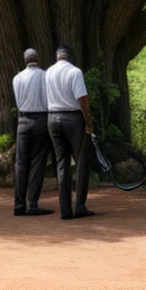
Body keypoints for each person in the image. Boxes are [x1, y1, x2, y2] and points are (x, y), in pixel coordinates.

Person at [45, 45, 94, 220]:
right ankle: (79, 206)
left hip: (52, 118)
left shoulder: (48, 73)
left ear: (57, 56)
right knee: (81, 161)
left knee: (61, 164)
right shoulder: (75, 72)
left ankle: (65, 209)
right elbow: (82, 98)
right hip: (72, 118)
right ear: (68, 56)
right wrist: (88, 121)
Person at [12, 48, 52, 216]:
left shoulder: (17, 78)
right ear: (38, 59)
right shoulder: (45, 76)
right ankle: (32, 203)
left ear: (25, 60)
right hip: (41, 120)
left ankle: (19, 205)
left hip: (22, 121)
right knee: (38, 162)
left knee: (21, 163)